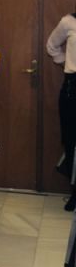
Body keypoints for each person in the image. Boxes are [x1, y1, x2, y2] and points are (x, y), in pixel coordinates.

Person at [47, 12, 76, 211]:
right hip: (72, 88)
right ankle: (75, 192)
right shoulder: (69, 21)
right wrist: (67, 62)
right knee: (72, 141)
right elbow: (52, 46)